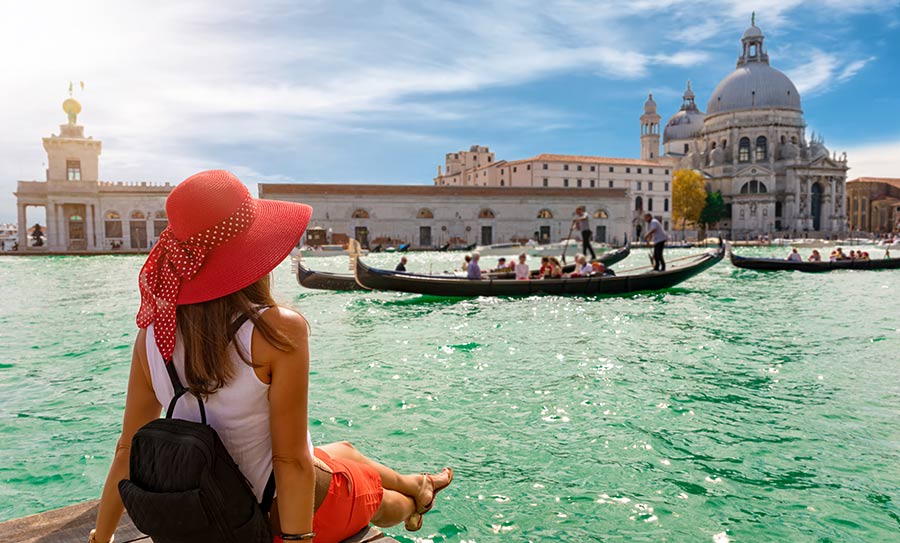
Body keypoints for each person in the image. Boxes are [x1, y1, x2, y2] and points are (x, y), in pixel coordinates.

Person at [89, 171, 452, 543]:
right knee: (373, 493)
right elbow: (291, 463)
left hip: (209, 508)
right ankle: (415, 502)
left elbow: (126, 449)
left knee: (344, 450)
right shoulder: (276, 331)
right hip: (271, 521)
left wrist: (101, 537)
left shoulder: (150, 335)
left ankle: (416, 481)